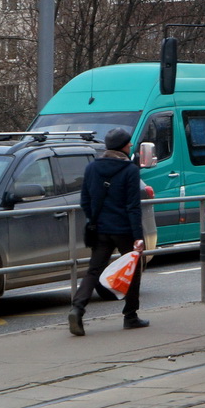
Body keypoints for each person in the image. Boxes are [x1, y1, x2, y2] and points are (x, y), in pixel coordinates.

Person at [69, 128, 148, 335]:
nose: (131, 146)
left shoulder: (92, 168)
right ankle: (130, 316)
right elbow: (133, 206)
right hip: (124, 229)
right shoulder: (130, 170)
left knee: (94, 270)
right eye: (129, 143)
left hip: (101, 229)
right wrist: (138, 237)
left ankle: (77, 309)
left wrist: (94, 219)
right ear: (122, 146)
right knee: (133, 270)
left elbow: (85, 200)